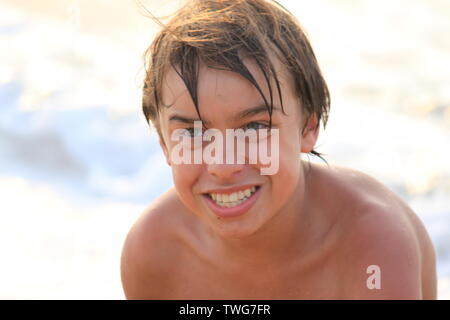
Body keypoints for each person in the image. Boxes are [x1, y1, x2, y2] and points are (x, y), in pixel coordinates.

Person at [120, 0, 437, 299]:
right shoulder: (156, 252)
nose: (224, 165)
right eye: (191, 132)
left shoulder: (371, 245)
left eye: (254, 128)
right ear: (164, 143)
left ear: (308, 128)